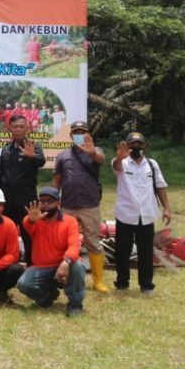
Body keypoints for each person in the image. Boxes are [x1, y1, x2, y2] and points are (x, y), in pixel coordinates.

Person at [53, 120, 108, 293]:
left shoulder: (95, 151)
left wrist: (91, 152)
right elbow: (57, 180)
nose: (79, 134)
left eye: (82, 131)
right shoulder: (62, 155)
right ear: (70, 135)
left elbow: (101, 159)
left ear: (88, 134)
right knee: (64, 242)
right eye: (75, 131)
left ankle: (98, 281)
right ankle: (64, 276)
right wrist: (52, 200)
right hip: (67, 205)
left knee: (93, 242)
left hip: (89, 205)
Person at [111, 132, 170, 293]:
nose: (136, 147)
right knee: (122, 251)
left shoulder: (151, 164)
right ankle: (122, 283)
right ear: (127, 146)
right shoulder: (121, 163)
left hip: (146, 214)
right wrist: (119, 158)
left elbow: (160, 186)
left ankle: (146, 284)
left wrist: (166, 208)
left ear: (144, 146)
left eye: (139, 144)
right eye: (133, 144)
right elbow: (115, 167)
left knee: (145, 252)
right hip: (126, 214)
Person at [16, 187, 86, 316]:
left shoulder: (70, 221)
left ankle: (75, 304)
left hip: (64, 263)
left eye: (50, 201)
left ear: (58, 203)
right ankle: (47, 296)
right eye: (42, 201)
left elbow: (74, 245)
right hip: (41, 266)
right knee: (23, 284)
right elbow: (27, 223)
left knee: (77, 266)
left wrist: (66, 262)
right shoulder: (34, 221)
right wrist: (31, 219)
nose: (46, 204)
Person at [0, 114, 45, 263]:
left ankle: (32, 268)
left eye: (21, 126)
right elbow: (1, 176)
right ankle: (8, 266)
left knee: (29, 236)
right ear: (9, 128)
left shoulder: (33, 146)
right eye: (15, 126)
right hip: (8, 202)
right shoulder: (6, 149)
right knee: (6, 236)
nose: (18, 129)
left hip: (27, 201)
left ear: (27, 128)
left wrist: (32, 157)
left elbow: (41, 161)